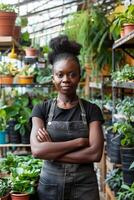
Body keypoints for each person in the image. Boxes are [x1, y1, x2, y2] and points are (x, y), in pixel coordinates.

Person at [30, 35, 104, 200]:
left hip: (85, 186)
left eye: (72, 74)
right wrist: (78, 143)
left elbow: (95, 154)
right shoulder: (41, 109)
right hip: (50, 185)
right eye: (60, 75)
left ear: (79, 77)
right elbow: (36, 150)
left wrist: (51, 152)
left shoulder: (92, 110)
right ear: (53, 78)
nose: (66, 80)